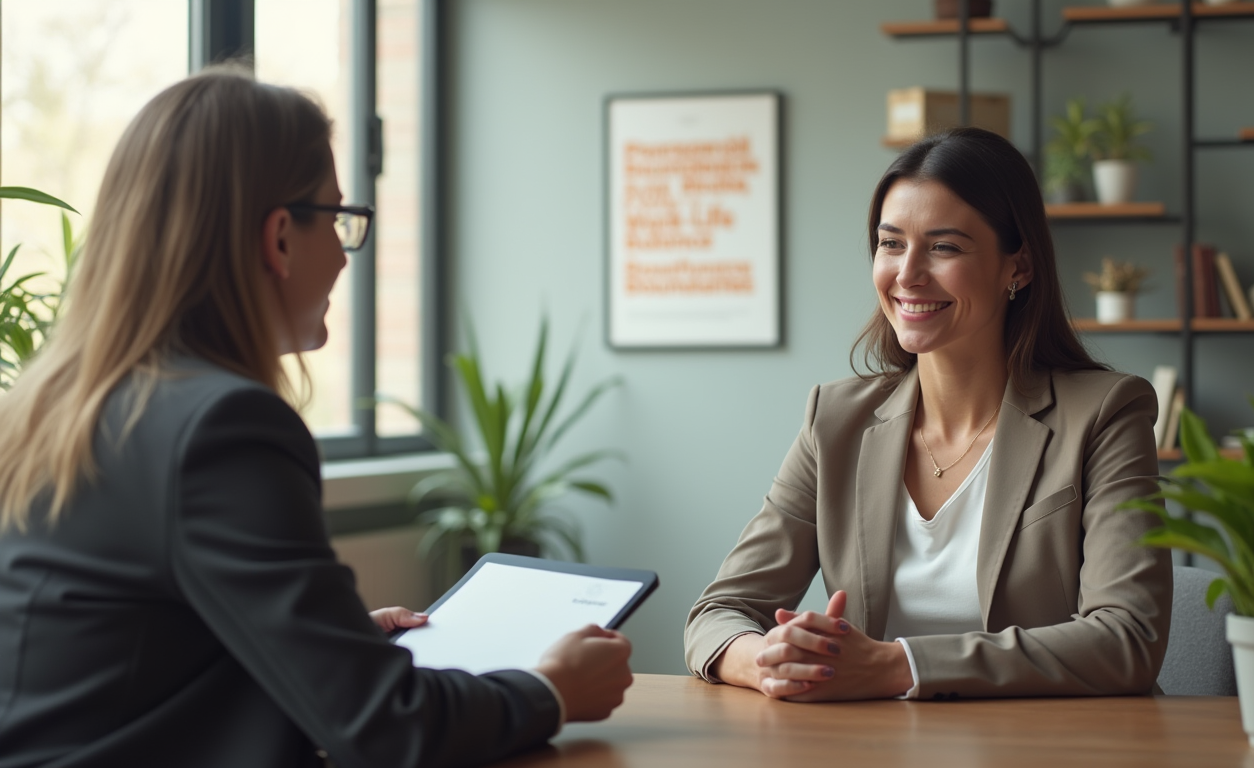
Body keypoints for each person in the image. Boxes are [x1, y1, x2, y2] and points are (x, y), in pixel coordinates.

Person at [0, 67, 632, 768]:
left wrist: (321, 643)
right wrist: (551, 689)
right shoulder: (221, 427)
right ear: (278, 237)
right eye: (337, 218)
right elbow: (386, 729)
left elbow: (117, 652)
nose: (342, 253)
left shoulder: (52, 407)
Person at [684, 127, 1171, 702]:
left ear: (1018, 267)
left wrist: (899, 666)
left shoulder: (1105, 413)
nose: (907, 274)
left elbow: (1127, 639)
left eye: (944, 247)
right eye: (891, 244)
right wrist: (776, 661)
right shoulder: (835, 420)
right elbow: (718, 612)